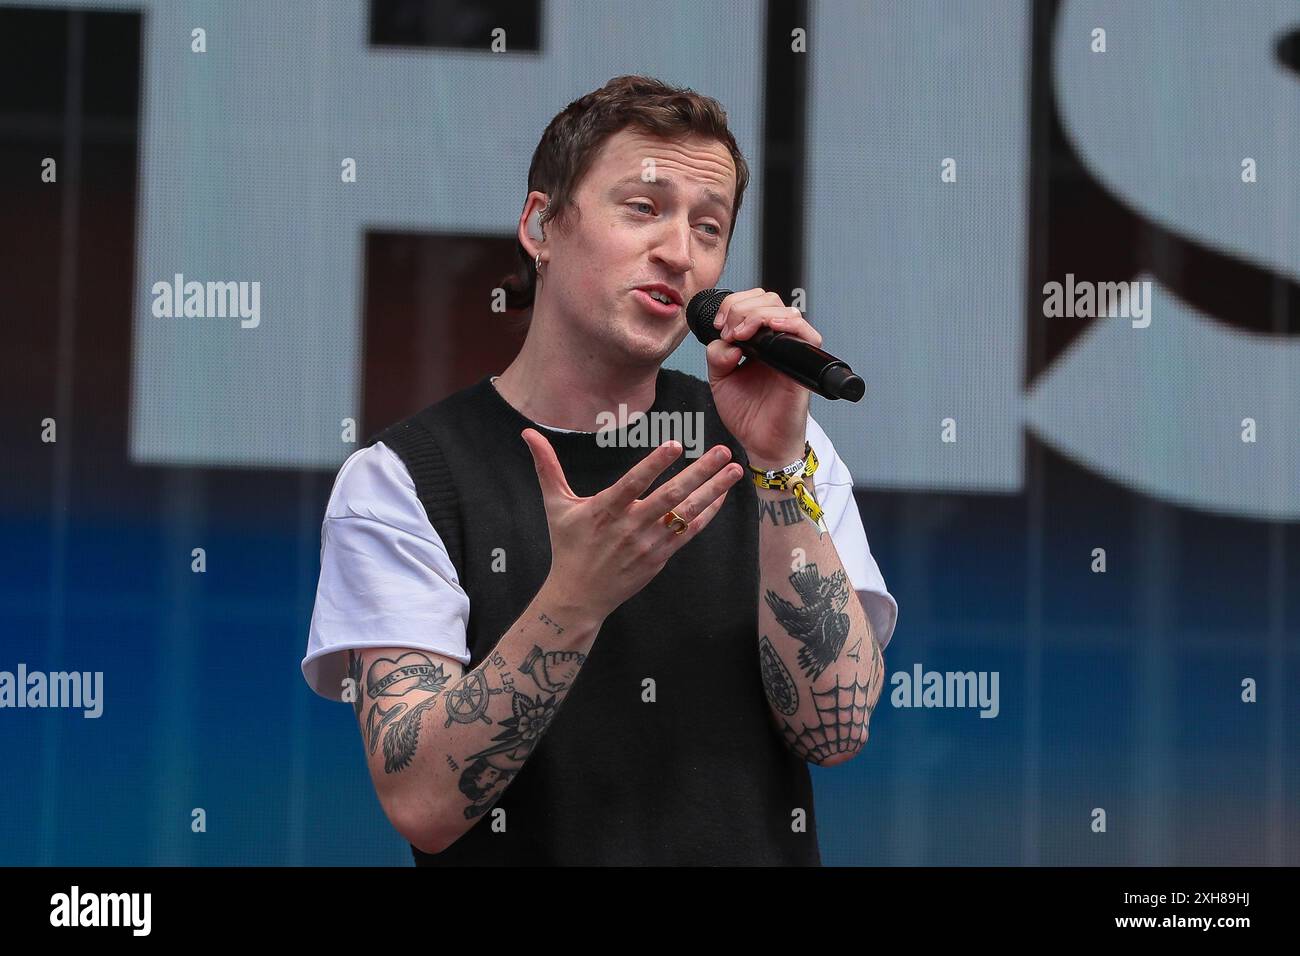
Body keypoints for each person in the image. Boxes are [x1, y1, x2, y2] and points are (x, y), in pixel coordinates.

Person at [301, 75, 898, 866]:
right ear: (541, 224)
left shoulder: (784, 444)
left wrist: (781, 468)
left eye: (709, 226)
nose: (680, 252)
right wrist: (575, 598)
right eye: (643, 208)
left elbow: (835, 729)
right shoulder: (405, 480)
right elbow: (422, 804)